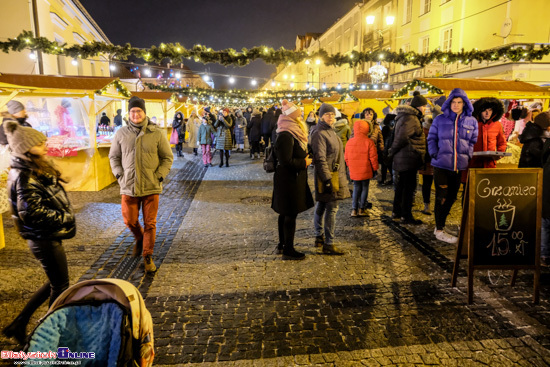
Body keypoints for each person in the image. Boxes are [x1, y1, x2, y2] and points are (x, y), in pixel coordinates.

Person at [2, 120, 76, 345]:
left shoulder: (30, 168)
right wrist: (65, 217)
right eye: (39, 142)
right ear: (26, 147)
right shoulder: (25, 175)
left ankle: (20, 323)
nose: (45, 144)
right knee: (61, 286)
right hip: (43, 237)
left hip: (42, 236)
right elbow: (31, 213)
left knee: (55, 282)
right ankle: (49, 332)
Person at [109, 96, 173, 272]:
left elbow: (167, 157)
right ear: (128, 113)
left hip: (151, 185)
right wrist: (119, 175)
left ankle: (147, 256)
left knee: (150, 223)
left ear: (144, 113)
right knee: (129, 220)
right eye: (132, 111)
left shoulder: (156, 133)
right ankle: (139, 237)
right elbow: (114, 157)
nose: (135, 114)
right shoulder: (121, 134)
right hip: (128, 185)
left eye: (139, 111)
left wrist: (159, 175)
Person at [428, 88, 478, 243]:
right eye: (453, 102)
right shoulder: (440, 119)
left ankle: (440, 224)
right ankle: (440, 229)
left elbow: (472, 141)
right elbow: (431, 138)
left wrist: (468, 155)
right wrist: (434, 153)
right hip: (441, 165)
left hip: (458, 167)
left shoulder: (471, 121)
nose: (456, 105)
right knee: (441, 197)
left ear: (465, 104)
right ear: (449, 103)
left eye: (459, 102)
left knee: (451, 197)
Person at [271, 100, 314, 260]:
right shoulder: (285, 135)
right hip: (288, 181)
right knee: (289, 214)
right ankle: (288, 249)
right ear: (292, 118)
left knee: (285, 212)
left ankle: (283, 245)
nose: (301, 118)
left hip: (292, 179)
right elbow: (285, 161)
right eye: (298, 116)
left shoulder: (292, 132)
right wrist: (304, 162)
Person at [310, 103, 350, 255]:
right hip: (328, 176)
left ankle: (319, 236)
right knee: (332, 209)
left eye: (332, 114)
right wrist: (327, 179)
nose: (331, 117)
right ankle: (329, 243)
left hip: (335, 174)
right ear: (321, 116)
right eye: (327, 114)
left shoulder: (330, 131)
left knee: (321, 205)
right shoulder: (320, 132)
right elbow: (320, 158)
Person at [388, 93, 427, 225]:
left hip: (405, 157)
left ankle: (396, 212)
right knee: (408, 188)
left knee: (401, 186)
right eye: (424, 106)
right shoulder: (411, 118)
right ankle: (406, 215)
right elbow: (401, 138)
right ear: (419, 107)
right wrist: (391, 152)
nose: (425, 109)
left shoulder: (405, 117)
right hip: (409, 157)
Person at [344, 119, 379, 217]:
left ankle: (354, 210)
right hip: (366, 170)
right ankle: (361, 209)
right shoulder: (369, 142)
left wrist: (350, 167)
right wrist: (375, 169)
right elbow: (373, 157)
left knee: (356, 187)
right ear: (367, 129)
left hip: (354, 169)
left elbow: (346, 157)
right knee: (364, 188)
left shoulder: (349, 142)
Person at [469, 97, 507, 170]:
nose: (487, 113)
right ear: (479, 111)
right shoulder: (471, 124)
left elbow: (502, 143)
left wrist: (500, 154)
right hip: (472, 164)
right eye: (484, 110)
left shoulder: (497, 125)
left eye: (490, 110)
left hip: (490, 165)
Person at [361, 107, 384, 208]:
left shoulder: (376, 127)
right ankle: (361, 202)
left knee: (367, 180)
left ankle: (363, 201)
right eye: (366, 114)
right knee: (360, 180)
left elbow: (380, 140)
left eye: (370, 114)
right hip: (361, 155)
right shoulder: (360, 125)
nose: (368, 116)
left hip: (372, 155)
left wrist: (381, 150)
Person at [380, 113, 395, 186]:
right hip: (386, 149)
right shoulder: (387, 128)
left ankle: (384, 179)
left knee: (385, 165)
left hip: (386, 149)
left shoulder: (387, 127)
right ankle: (385, 179)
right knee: (387, 165)